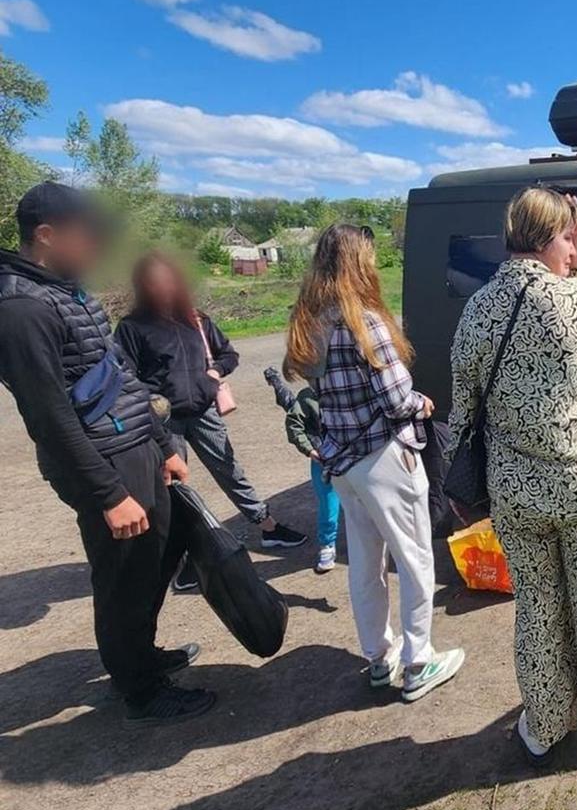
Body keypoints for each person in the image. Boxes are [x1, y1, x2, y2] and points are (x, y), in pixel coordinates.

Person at [0, 182, 213, 726]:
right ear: (46, 236)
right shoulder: (21, 310)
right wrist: (108, 494)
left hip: (135, 447)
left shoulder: (69, 291)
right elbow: (49, 418)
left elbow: (122, 377)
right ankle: (140, 689)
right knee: (122, 577)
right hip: (103, 465)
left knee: (157, 559)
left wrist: (163, 444)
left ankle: (142, 656)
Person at [449, 187, 577, 765]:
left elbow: (463, 408)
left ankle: (544, 724)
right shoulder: (567, 299)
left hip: (514, 490)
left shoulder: (478, 308)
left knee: (536, 606)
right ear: (543, 238)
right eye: (566, 235)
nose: (572, 248)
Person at [284, 223, 464, 702]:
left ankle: (379, 659)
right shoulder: (368, 323)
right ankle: (419, 660)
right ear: (358, 263)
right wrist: (422, 402)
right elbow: (396, 400)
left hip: (342, 465)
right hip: (385, 458)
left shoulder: (310, 322)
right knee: (414, 558)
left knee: (365, 565)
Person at [117, 251, 306, 590]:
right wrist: (154, 399)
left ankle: (268, 527)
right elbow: (125, 377)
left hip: (204, 411)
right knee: (173, 488)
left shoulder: (195, 320)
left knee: (231, 470)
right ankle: (187, 558)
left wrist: (213, 373)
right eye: (153, 280)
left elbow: (229, 354)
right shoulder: (132, 328)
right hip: (165, 421)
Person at [263, 366, 339, 574]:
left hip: (351, 453)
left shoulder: (344, 389)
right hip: (324, 460)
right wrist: (310, 450)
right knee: (329, 504)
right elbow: (294, 424)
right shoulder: (308, 397)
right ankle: (327, 545)